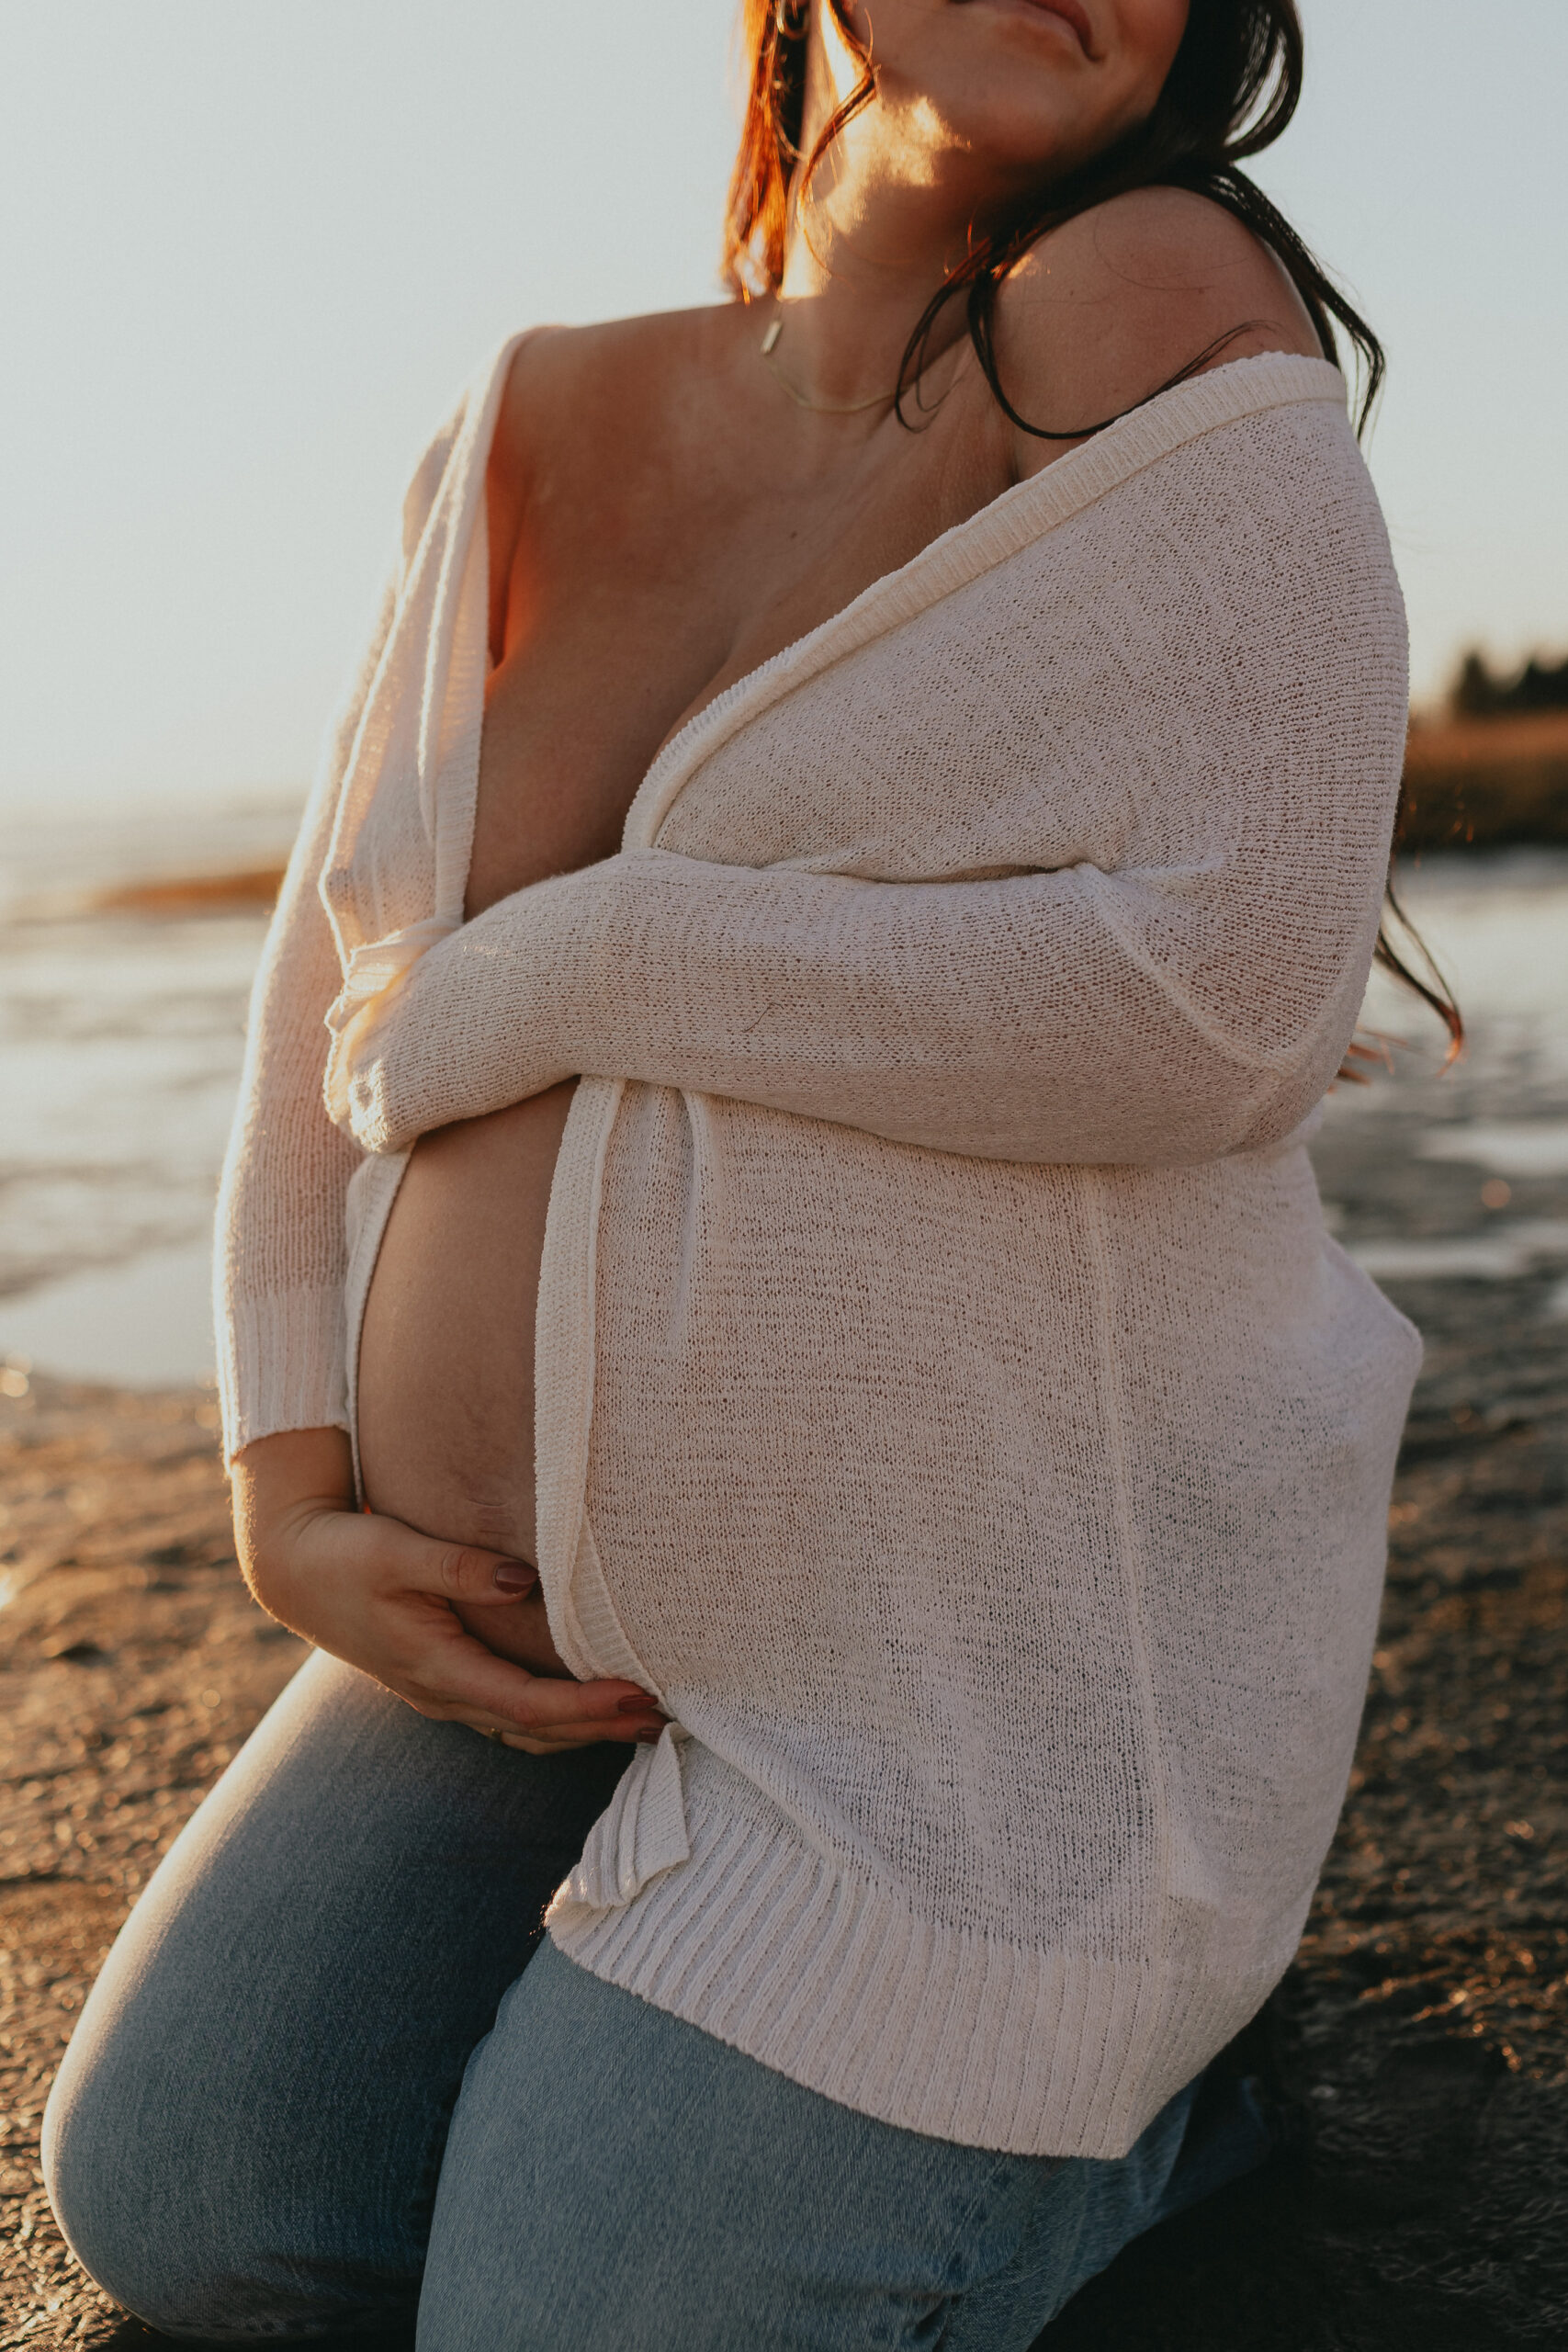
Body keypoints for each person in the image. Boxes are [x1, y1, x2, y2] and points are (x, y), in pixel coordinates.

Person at [43, 4, 1453, 2344]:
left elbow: (1223, 995)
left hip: (961, 1680)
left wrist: (589, 955)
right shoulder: (530, 414)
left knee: (557, 2320)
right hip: (547, 1620)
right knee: (188, 2189)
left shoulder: (1147, 295)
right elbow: (324, 996)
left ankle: (1147, 2095)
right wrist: (286, 1485)